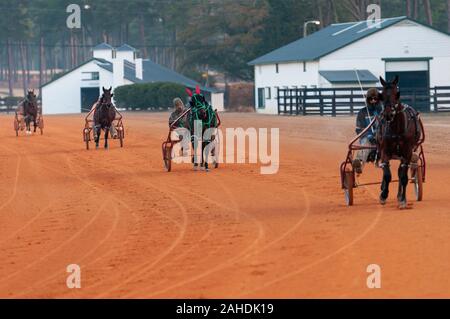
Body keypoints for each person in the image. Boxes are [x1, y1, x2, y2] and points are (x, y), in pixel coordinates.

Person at [352, 88, 383, 174]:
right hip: (367, 138)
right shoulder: (362, 112)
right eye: (370, 99)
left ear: (378, 100)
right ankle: (359, 163)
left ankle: (410, 158)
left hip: (382, 137)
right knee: (365, 144)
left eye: (375, 99)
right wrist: (368, 135)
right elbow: (358, 129)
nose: (373, 101)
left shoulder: (383, 111)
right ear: (367, 100)